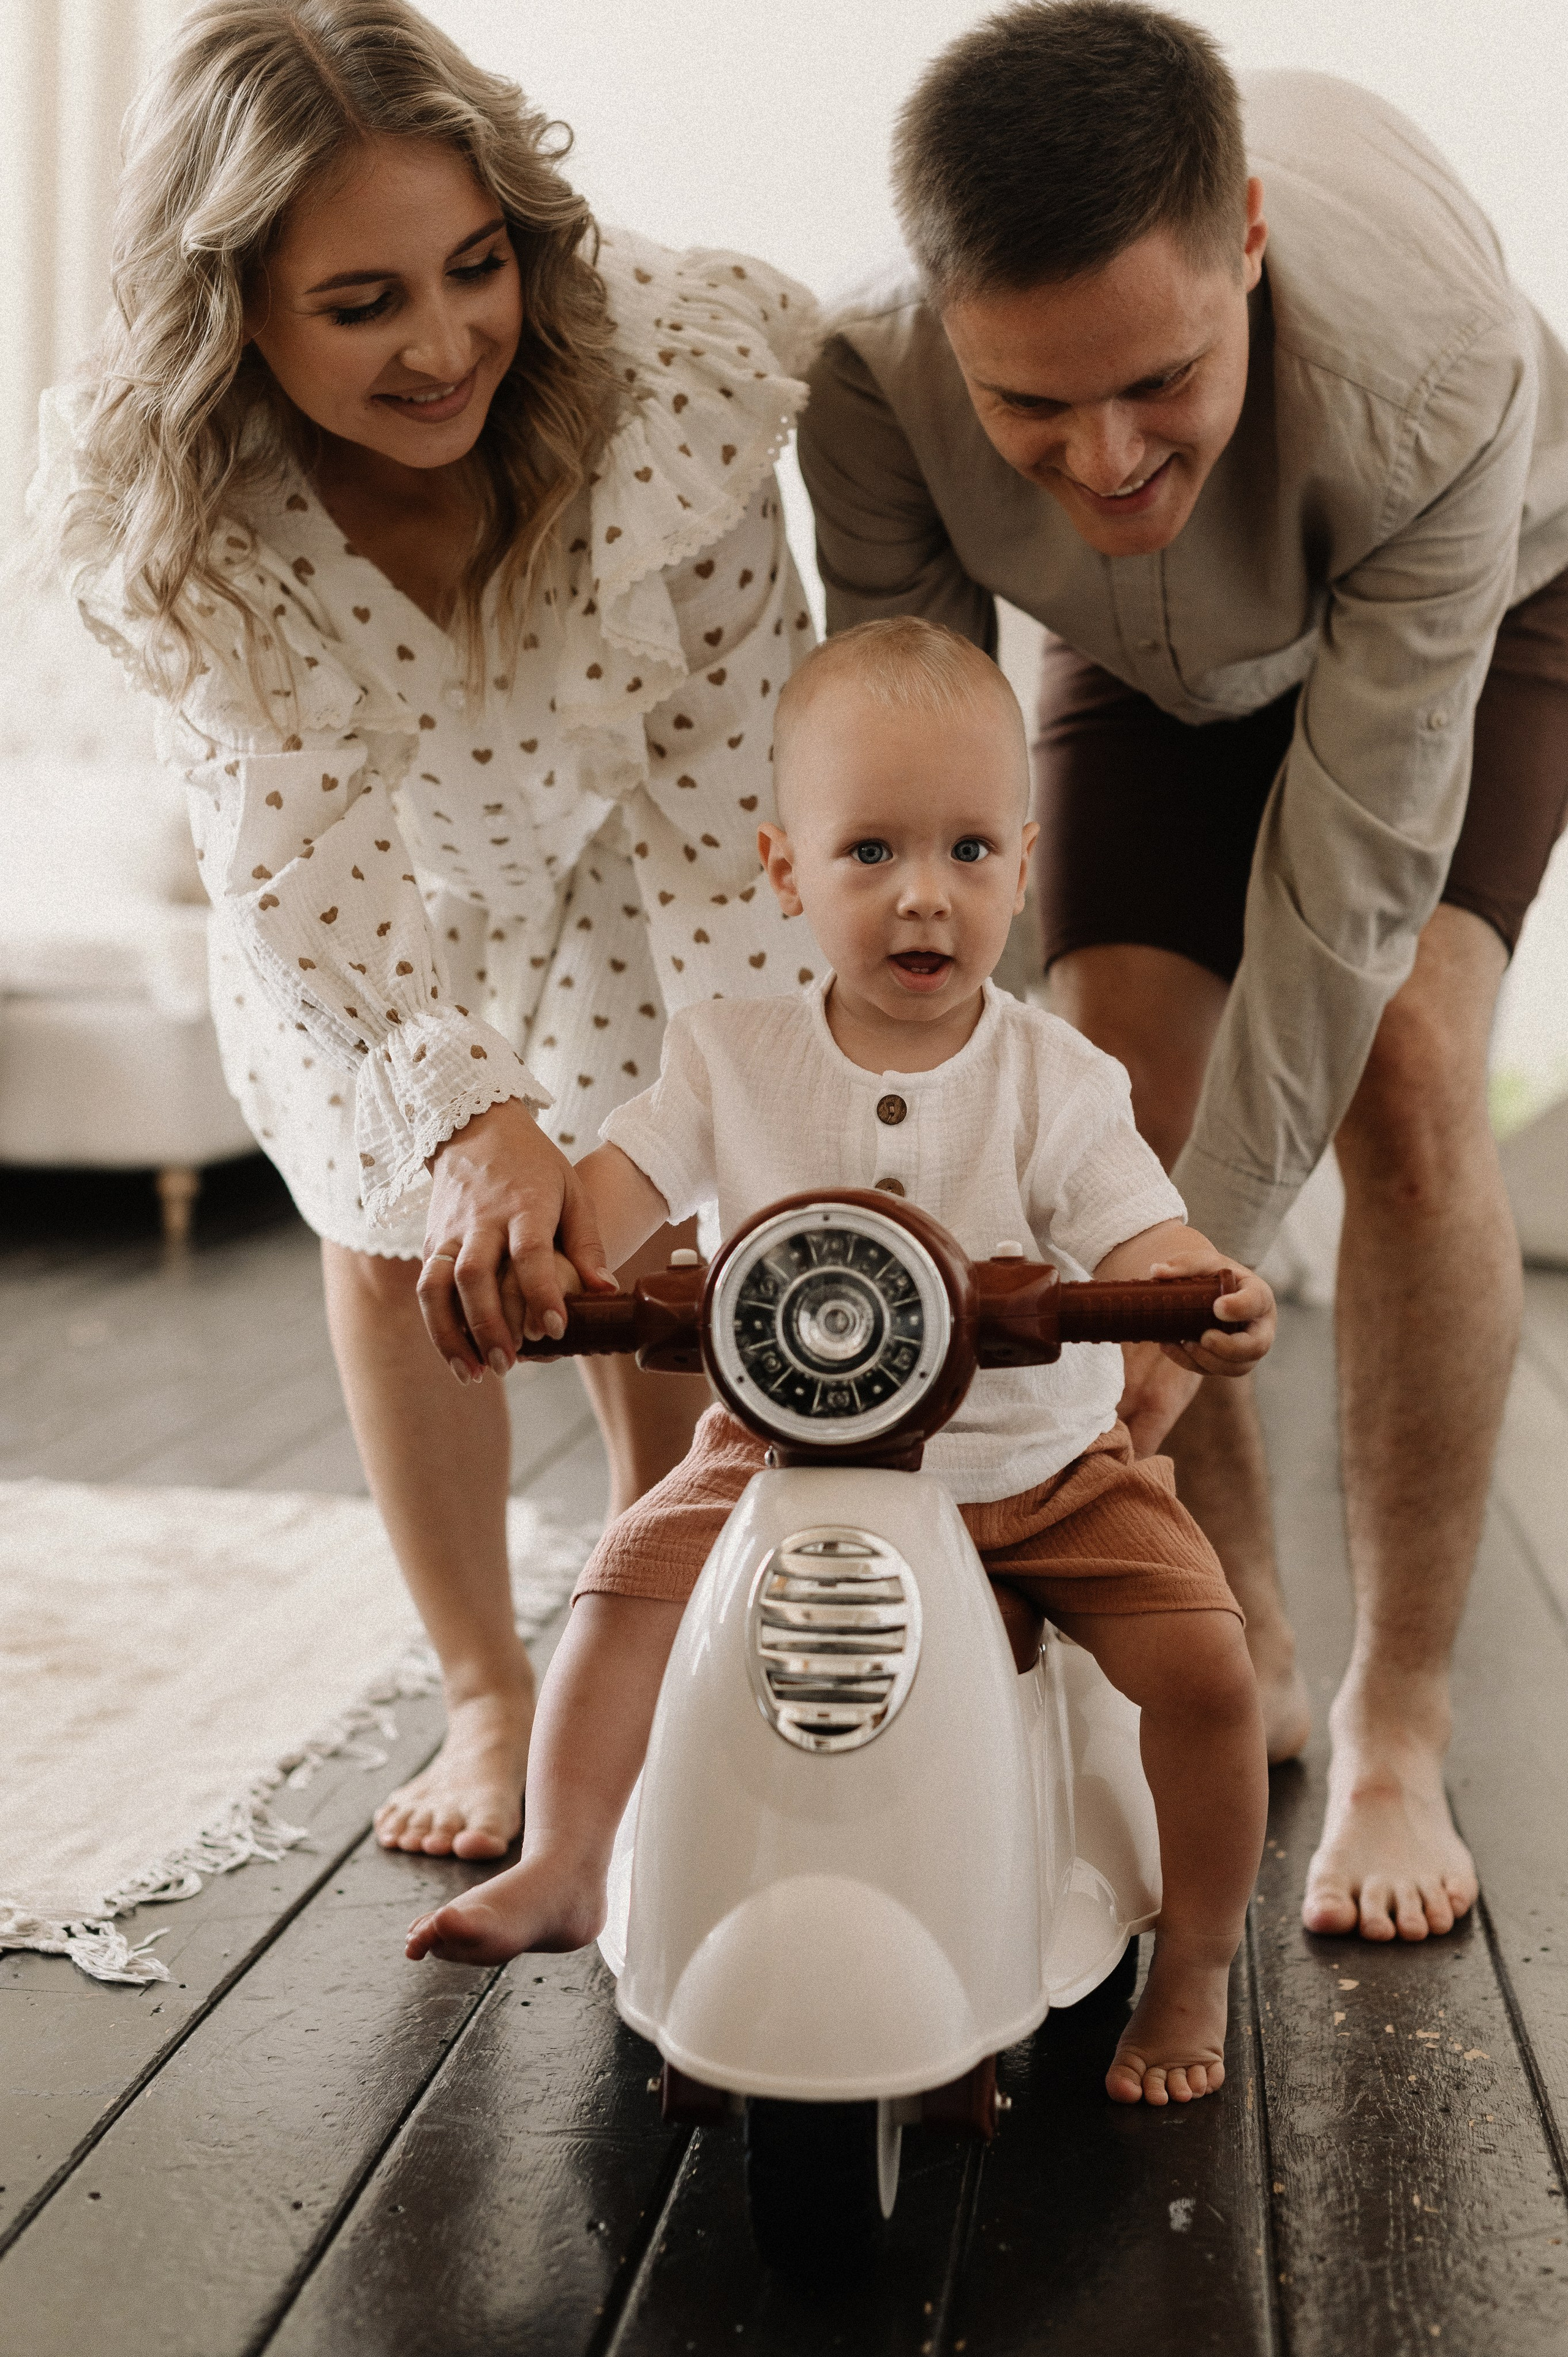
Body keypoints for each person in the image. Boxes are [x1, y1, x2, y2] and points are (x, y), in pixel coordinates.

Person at [796, 1, 1568, 1945]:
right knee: (1111, 1078)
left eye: (1154, 381)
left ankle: (1397, 1720)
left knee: (1400, 1060)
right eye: (1031, 408)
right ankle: (1239, 1635)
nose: (1107, 454)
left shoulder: (1433, 374)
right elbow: (915, 782)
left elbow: (1349, 882)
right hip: (1140, 657)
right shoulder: (875, 377)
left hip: (1478, 593)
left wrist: (1180, 1270)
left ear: (1243, 243)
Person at [33, 0, 824, 1862]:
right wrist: (473, 1128)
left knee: (667, 1242)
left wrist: (680, 1146)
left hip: (634, 845)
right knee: (396, 1227)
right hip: (353, 895)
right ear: (234, 308)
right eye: (363, 301)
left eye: (476, 268)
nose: (449, 339)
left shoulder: (667, 404)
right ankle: (487, 1691)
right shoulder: (182, 520)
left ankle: (663, 1633)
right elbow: (308, 887)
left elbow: (733, 834)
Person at [406, 618, 1277, 2110]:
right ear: (781, 868)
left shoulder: (1053, 1076)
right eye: (867, 850)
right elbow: (615, 1199)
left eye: (962, 852)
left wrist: (1188, 1293)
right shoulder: (725, 1055)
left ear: (1022, 858)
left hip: (1038, 1466)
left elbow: (1131, 1227)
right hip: (775, 1455)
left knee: (1205, 1668)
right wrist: (559, 1270)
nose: (920, 895)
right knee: (620, 1589)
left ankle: (1195, 1947)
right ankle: (564, 1858)